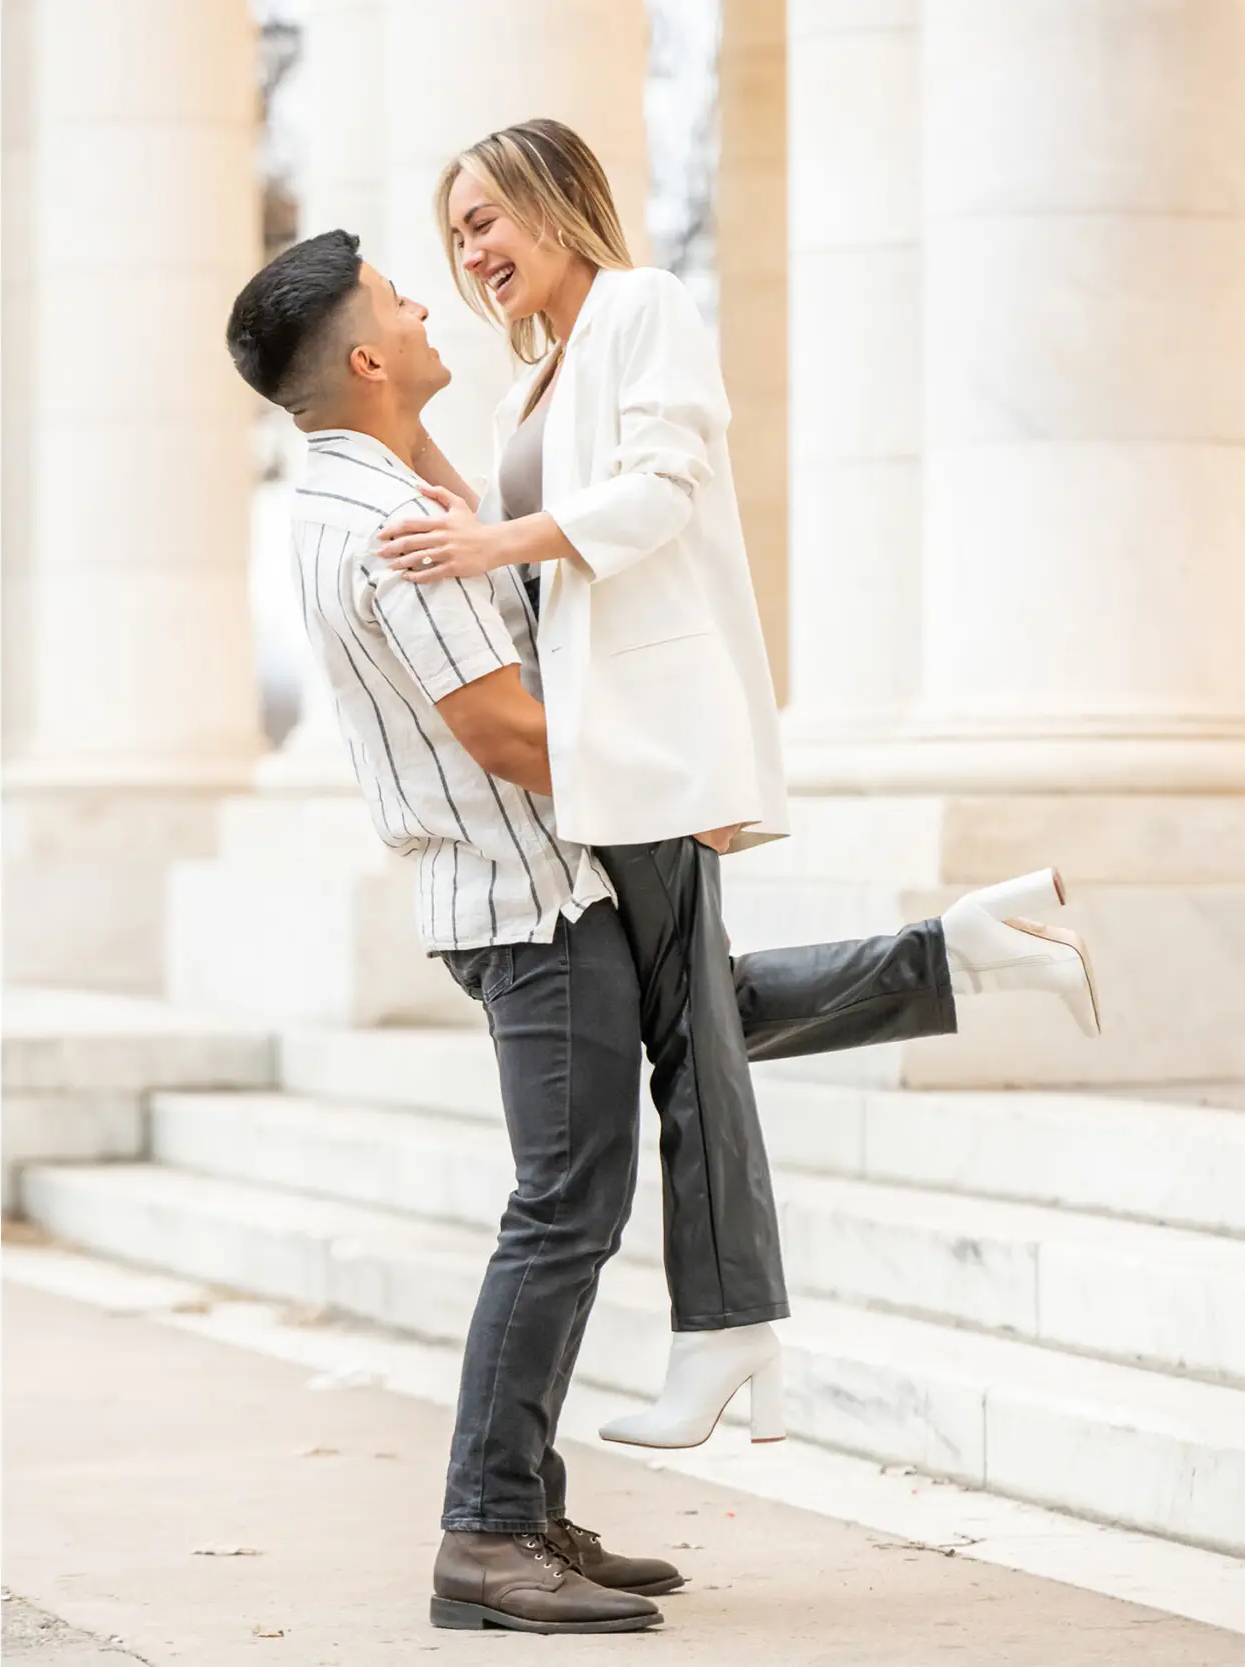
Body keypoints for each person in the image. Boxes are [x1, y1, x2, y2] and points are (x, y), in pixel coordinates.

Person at [224, 226, 1094, 1635]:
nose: (431, 295)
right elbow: (506, 728)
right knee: (565, 1204)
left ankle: (971, 949)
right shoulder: (393, 531)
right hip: (532, 890)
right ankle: (485, 1529)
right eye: (402, 292)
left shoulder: (369, 490)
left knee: (706, 1014)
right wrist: (672, 778)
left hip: (529, 884)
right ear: (369, 356)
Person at [370, 119, 1100, 1446]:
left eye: (487, 218)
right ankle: (966, 951)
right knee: (688, 1014)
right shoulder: (521, 391)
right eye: (457, 231)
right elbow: (528, 570)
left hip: (654, 737)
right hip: (598, 753)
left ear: (554, 202)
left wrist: (495, 541)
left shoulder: (645, 308)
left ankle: (729, 1323)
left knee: (685, 1030)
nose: (473, 250)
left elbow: (660, 492)